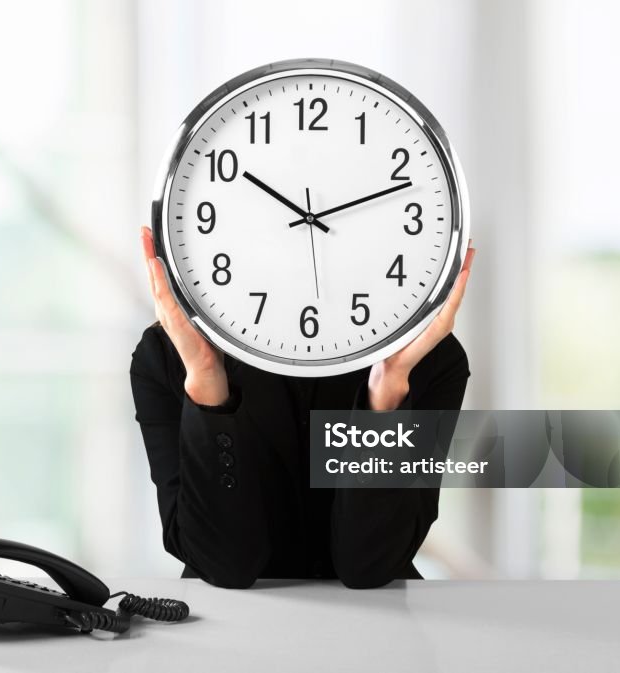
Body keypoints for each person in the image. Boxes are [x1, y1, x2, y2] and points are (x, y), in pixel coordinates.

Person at [130, 226, 476, 589]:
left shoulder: (431, 361)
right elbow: (223, 565)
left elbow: (371, 564)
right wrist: (205, 378)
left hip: (378, 630)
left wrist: (386, 394)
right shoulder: (166, 357)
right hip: (227, 630)